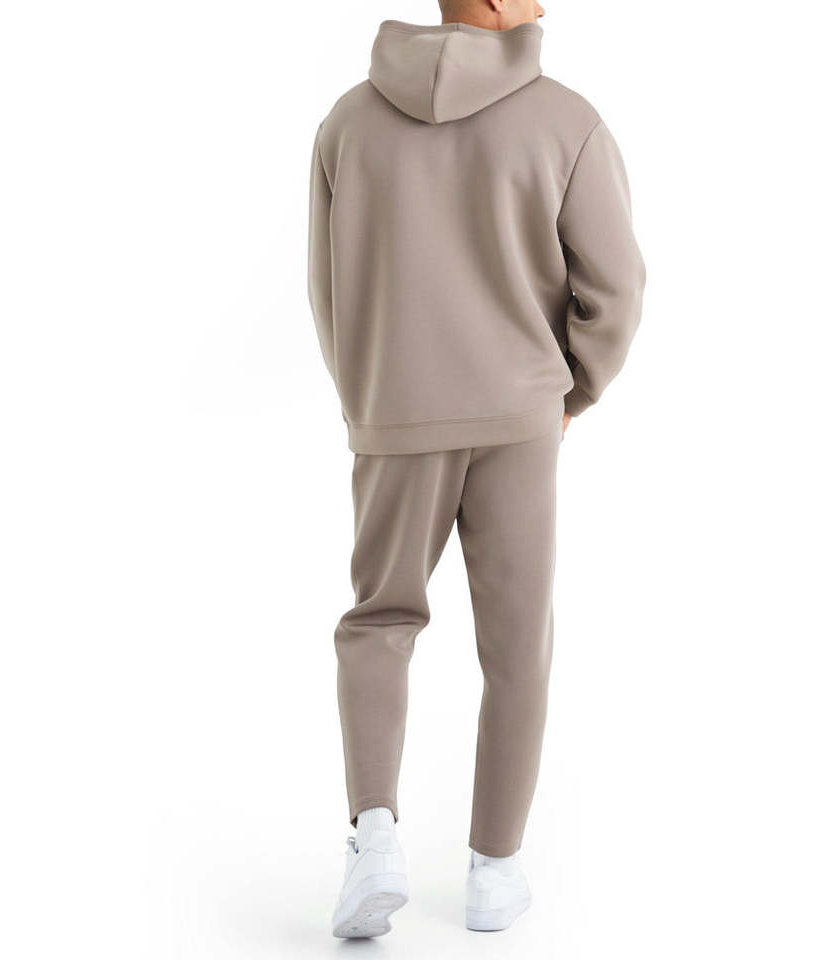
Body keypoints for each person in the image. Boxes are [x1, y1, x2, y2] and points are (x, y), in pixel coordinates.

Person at [308, 0, 645, 938]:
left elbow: (327, 287)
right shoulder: (567, 120)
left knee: (379, 621)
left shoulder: (348, 121)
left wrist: (369, 398)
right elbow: (616, 286)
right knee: (517, 643)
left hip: (394, 410)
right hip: (519, 415)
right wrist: (574, 390)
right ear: (497, 6)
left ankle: (374, 839)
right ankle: (494, 869)